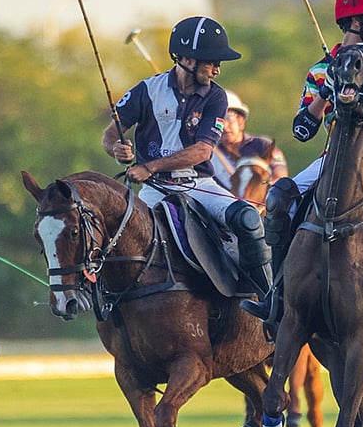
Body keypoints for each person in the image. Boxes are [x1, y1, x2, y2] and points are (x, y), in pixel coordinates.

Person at [240, 0, 363, 333]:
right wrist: (327, 91)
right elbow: (302, 129)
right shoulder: (320, 69)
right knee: (279, 198)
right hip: (337, 157)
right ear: (355, 22)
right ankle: (276, 293)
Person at [101, 16, 273, 300]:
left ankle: (267, 301)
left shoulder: (216, 97)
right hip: (155, 189)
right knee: (116, 234)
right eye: (211, 62)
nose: (217, 69)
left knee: (248, 218)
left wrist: (148, 165)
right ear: (187, 59)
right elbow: (109, 135)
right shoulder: (147, 90)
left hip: (199, 184)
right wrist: (118, 149)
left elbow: (202, 152)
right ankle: (106, 301)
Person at [212, 90, 289, 187]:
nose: (225, 126)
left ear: (241, 121)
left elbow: (280, 174)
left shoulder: (263, 145)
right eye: (219, 121)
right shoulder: (210, 154)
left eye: (229, 118)